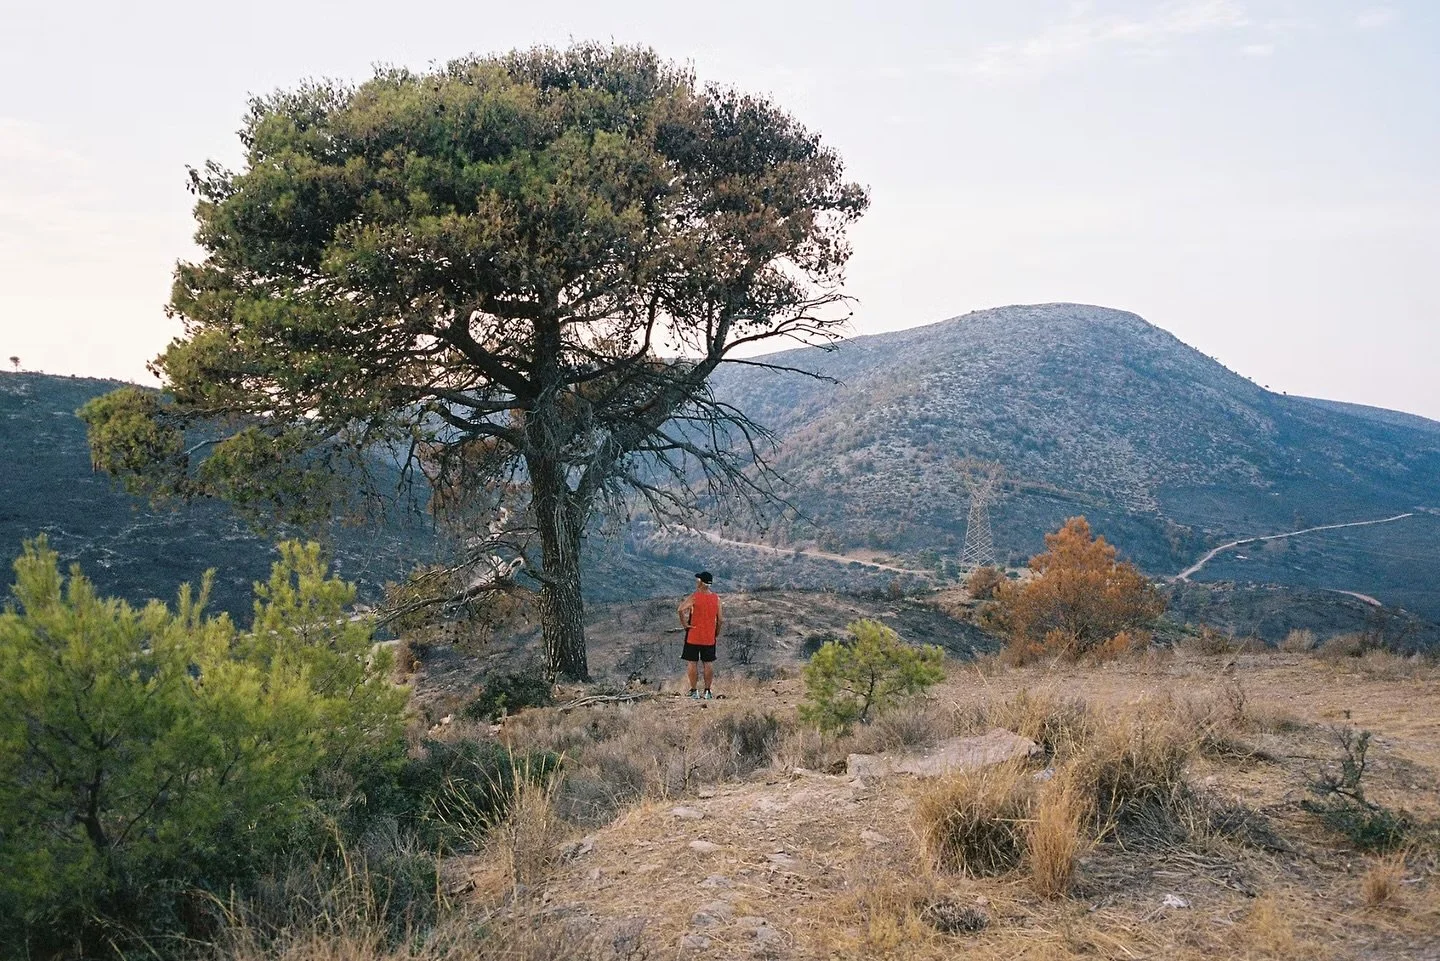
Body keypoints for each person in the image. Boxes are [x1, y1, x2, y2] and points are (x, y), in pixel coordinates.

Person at [677, 571, 723, 699]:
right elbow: (720, 620)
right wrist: (716, 632)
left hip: (694, 635)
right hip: (709, 636)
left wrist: (685, 624)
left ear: (701, 582)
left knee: (692, 662)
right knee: (708, 663)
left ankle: (694, 691)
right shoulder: (716, 598)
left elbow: (680, 609)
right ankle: (707, 691)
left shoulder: (695, 597)